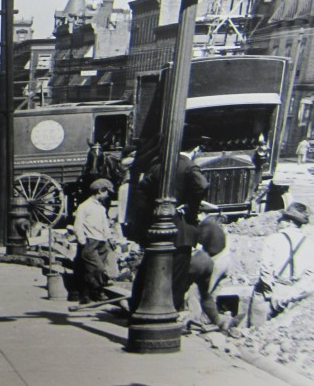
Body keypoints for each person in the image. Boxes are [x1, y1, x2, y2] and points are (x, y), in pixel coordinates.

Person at [129, 139, 214, 313]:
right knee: (176, 278)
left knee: (149, 272)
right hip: (181, 230)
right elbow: (202, 185)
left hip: (157, 227)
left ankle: (136, 308)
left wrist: (153, 212)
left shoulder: (158, 165)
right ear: (196, 148)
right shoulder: (188, 166)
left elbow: (141, 191)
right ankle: (171, 312)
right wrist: (189, 206)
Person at [247, 202, 314, 327]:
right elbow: (310, 274)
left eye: (282, 218)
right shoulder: (310, 244)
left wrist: (270, 293)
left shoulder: (273, 239)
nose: (279, 221)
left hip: (271, 291)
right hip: (292, 292)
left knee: (255, 331)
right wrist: (293, 293)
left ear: (290, 222)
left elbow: (265, 270)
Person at [184, 216, 236, 334]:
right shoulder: (211, 225)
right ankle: (216, 321)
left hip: (217, 261)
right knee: (209, 294)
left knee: (196, 293)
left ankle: (196, 320)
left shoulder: (204, 228)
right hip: (225, 258)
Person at [72, 178, 116, 305]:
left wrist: (109, 238)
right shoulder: (84, 206)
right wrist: (82, 241)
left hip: (101, 242)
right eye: (106, 192)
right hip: (90, 242)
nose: (107, 196)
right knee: (98, 268)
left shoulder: (101, 208)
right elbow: (78, 225)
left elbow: (104, 225)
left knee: (90, 269)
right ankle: (99, 291)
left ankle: (87, 296)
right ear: (100, 191)